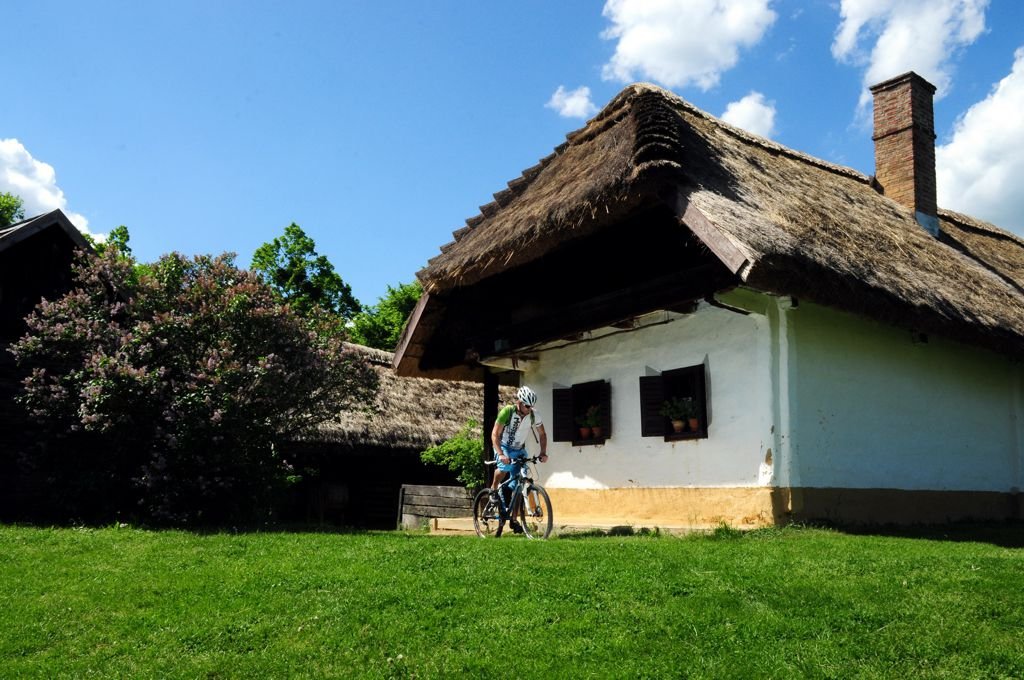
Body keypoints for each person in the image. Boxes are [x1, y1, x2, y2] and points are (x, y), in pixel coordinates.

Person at [490, 386, 548, 530]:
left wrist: (543, 452)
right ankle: (493, 488)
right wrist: (501, 454)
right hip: (503, 446)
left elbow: (542, 434)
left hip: (519, 449)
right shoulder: (507, 412)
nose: (529, 409)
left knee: (518, 485)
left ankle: (514, 520)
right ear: (520, 402)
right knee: (503, 470)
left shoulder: (534, 415)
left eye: (531, 406)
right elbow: (495, 435)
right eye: (527, 406)